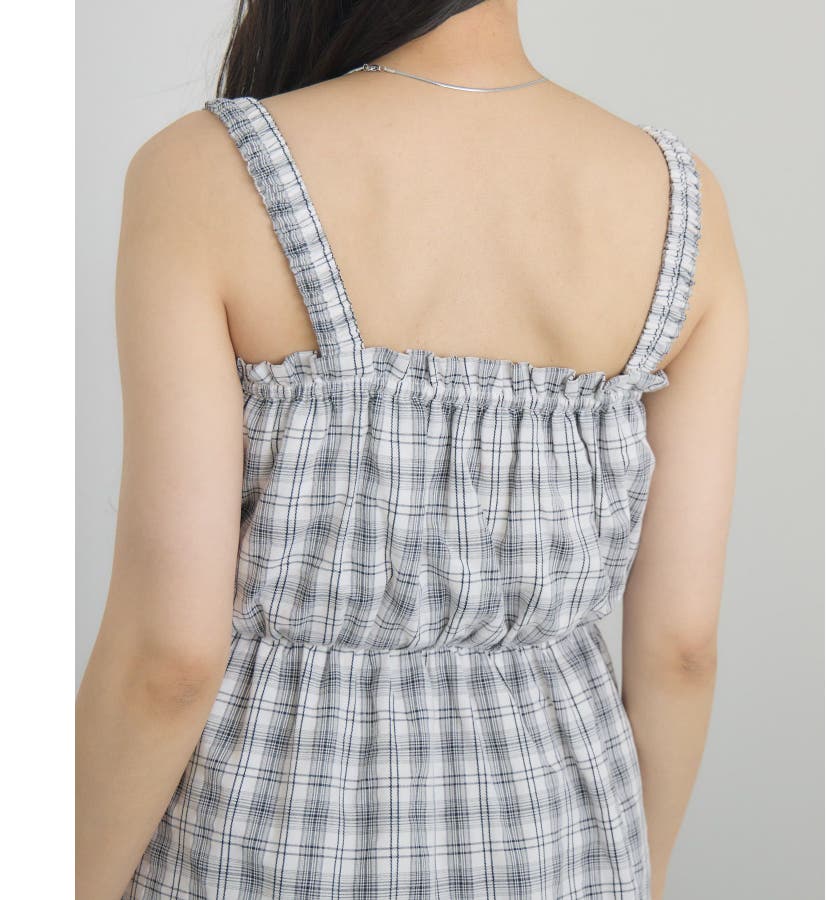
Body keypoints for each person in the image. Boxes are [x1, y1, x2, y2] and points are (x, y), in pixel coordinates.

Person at [75, 1, 748, 898]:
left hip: (269, 840)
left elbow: (168, 660)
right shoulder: (682, 200)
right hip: (562, 845)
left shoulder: (207, 170)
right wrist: (639, 872)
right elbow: (681, 649)